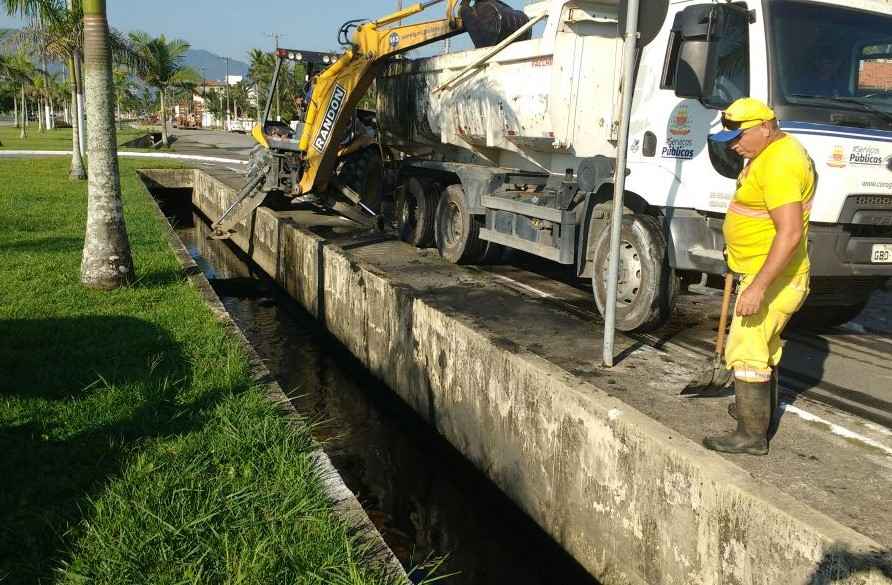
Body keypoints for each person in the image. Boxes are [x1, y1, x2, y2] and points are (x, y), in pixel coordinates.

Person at [704, 98, 815, 456]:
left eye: (739, 137)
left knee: (748, 349)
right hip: (759, 269)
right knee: (764, 348)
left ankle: (751, 435)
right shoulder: (766, 154)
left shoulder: (781, 163)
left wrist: (759, 287)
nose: (734, 145)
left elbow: (789, 233)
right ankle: (757, 412)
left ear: (766, 126)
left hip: (775, 277)